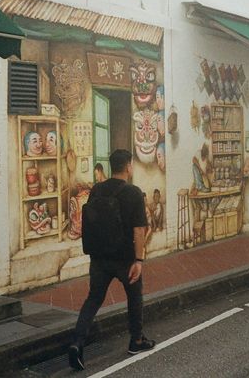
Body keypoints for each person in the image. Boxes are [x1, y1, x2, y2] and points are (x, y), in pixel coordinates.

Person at [68, 149, 155, 371]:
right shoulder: (134, 193)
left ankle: (77, 343)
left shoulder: (97, 189)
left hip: (99, 257)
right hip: (125, 258)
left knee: (93, 299)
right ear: (128, 166)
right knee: (134, 297)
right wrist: (138, 260)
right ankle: (136, 340)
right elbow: (138, 230)